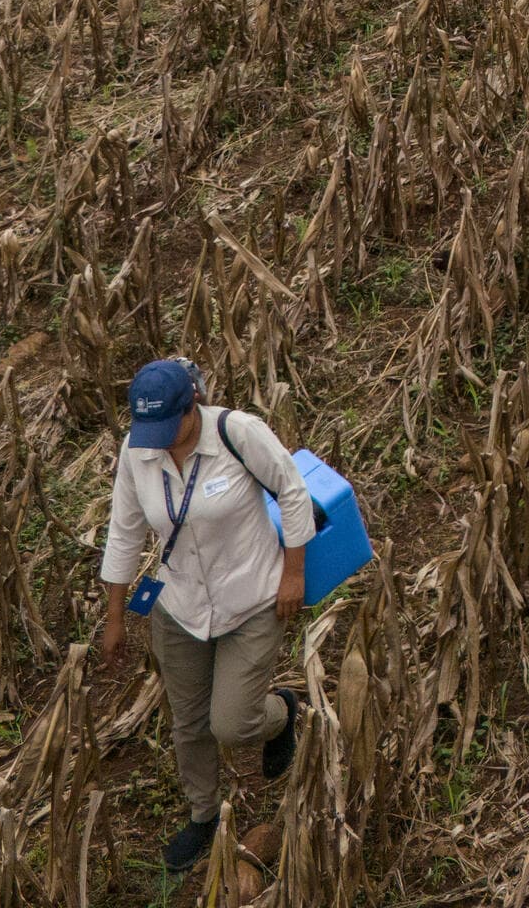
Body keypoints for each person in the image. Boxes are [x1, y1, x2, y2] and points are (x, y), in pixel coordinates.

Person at [97, 357, 315, 874]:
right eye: (151, 431)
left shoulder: (238, 433)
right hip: (180, 605)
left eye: (169, 428)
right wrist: (115, 615)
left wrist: (293, 573)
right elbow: (125, 531)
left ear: (192, 406)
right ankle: (203, 817)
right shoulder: (139, 450)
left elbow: (293, 490)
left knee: (231, 723)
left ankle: (282, 712)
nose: (160, 441)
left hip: (252, 600)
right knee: (189, 722)